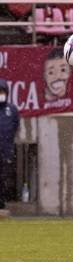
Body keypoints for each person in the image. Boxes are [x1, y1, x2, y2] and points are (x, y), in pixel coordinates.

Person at [0, 80, 20, 213]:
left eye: (2, 92)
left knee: (3, 180)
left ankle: (1, 205)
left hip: (5, 151)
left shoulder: (11, 110)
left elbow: (15, 127)